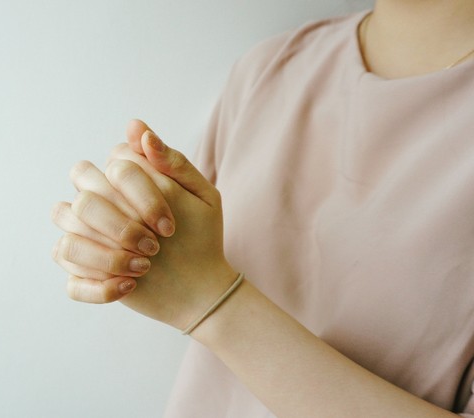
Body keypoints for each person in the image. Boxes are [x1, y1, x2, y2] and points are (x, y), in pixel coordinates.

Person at [51, 1, 474, 417]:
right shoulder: (268, 69)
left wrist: (208, 301)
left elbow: (200, 290)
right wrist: (125, 240)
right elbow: (184, 270)